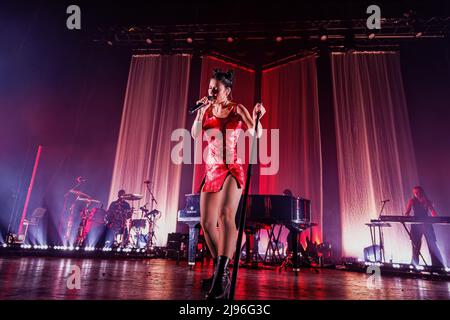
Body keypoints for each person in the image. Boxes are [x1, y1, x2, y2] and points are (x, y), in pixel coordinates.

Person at [191, 69, 266, 299]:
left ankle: (221, 275)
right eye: (210, 88)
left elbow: (257, 132)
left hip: (233, 168)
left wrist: (259, 116)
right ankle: (220, 271)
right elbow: (195, 135)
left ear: (227, 90)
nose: (212, 91)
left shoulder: (236, 108)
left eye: (216, 88)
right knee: (206, 222)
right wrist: (199, 113)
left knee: (225, 215)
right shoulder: (206, 111)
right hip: (211, 169)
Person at [404, 186, 445, 267]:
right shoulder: (412, 201)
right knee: (416, 246)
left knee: (432, 244)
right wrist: (406, 216)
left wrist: (436, 219)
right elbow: (407, 212)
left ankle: (437, 266)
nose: (417, 194)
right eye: (415, 193)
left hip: (426, 224)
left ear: (422, 192)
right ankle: (414, 265)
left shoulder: (427, 201)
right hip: (416, 225)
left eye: (418, 192)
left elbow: (433, 211)